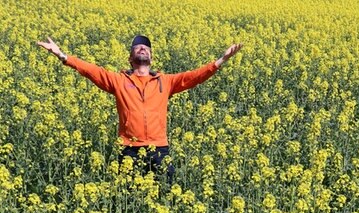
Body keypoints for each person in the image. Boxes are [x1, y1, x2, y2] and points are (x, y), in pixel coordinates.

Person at [37, 35, 242, 184]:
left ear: (151, 58)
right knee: (128, 198)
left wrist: (221, 60)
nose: (142, 48)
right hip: (129, 149)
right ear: (130, 58)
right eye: (138, 47)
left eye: (146, 47)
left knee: (166, 195)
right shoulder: (118, 81)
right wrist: (62, 56)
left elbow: (193, 77)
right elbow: (92, 71)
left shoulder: (165, 81)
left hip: (159, 148)